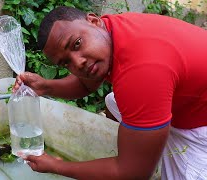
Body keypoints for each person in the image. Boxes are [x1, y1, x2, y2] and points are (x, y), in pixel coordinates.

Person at [13, 6, 207, 180]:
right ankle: (145, 143)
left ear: (94, 21)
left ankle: (144, 149)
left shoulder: (140, 72)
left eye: (77, 44)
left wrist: (57, 165)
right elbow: (87, 84)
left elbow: (133, 173)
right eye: (66, 63)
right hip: (188, 97)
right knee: (113, 101)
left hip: (199, 125)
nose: (78, 63)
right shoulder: (110, 30)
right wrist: (45, 86)